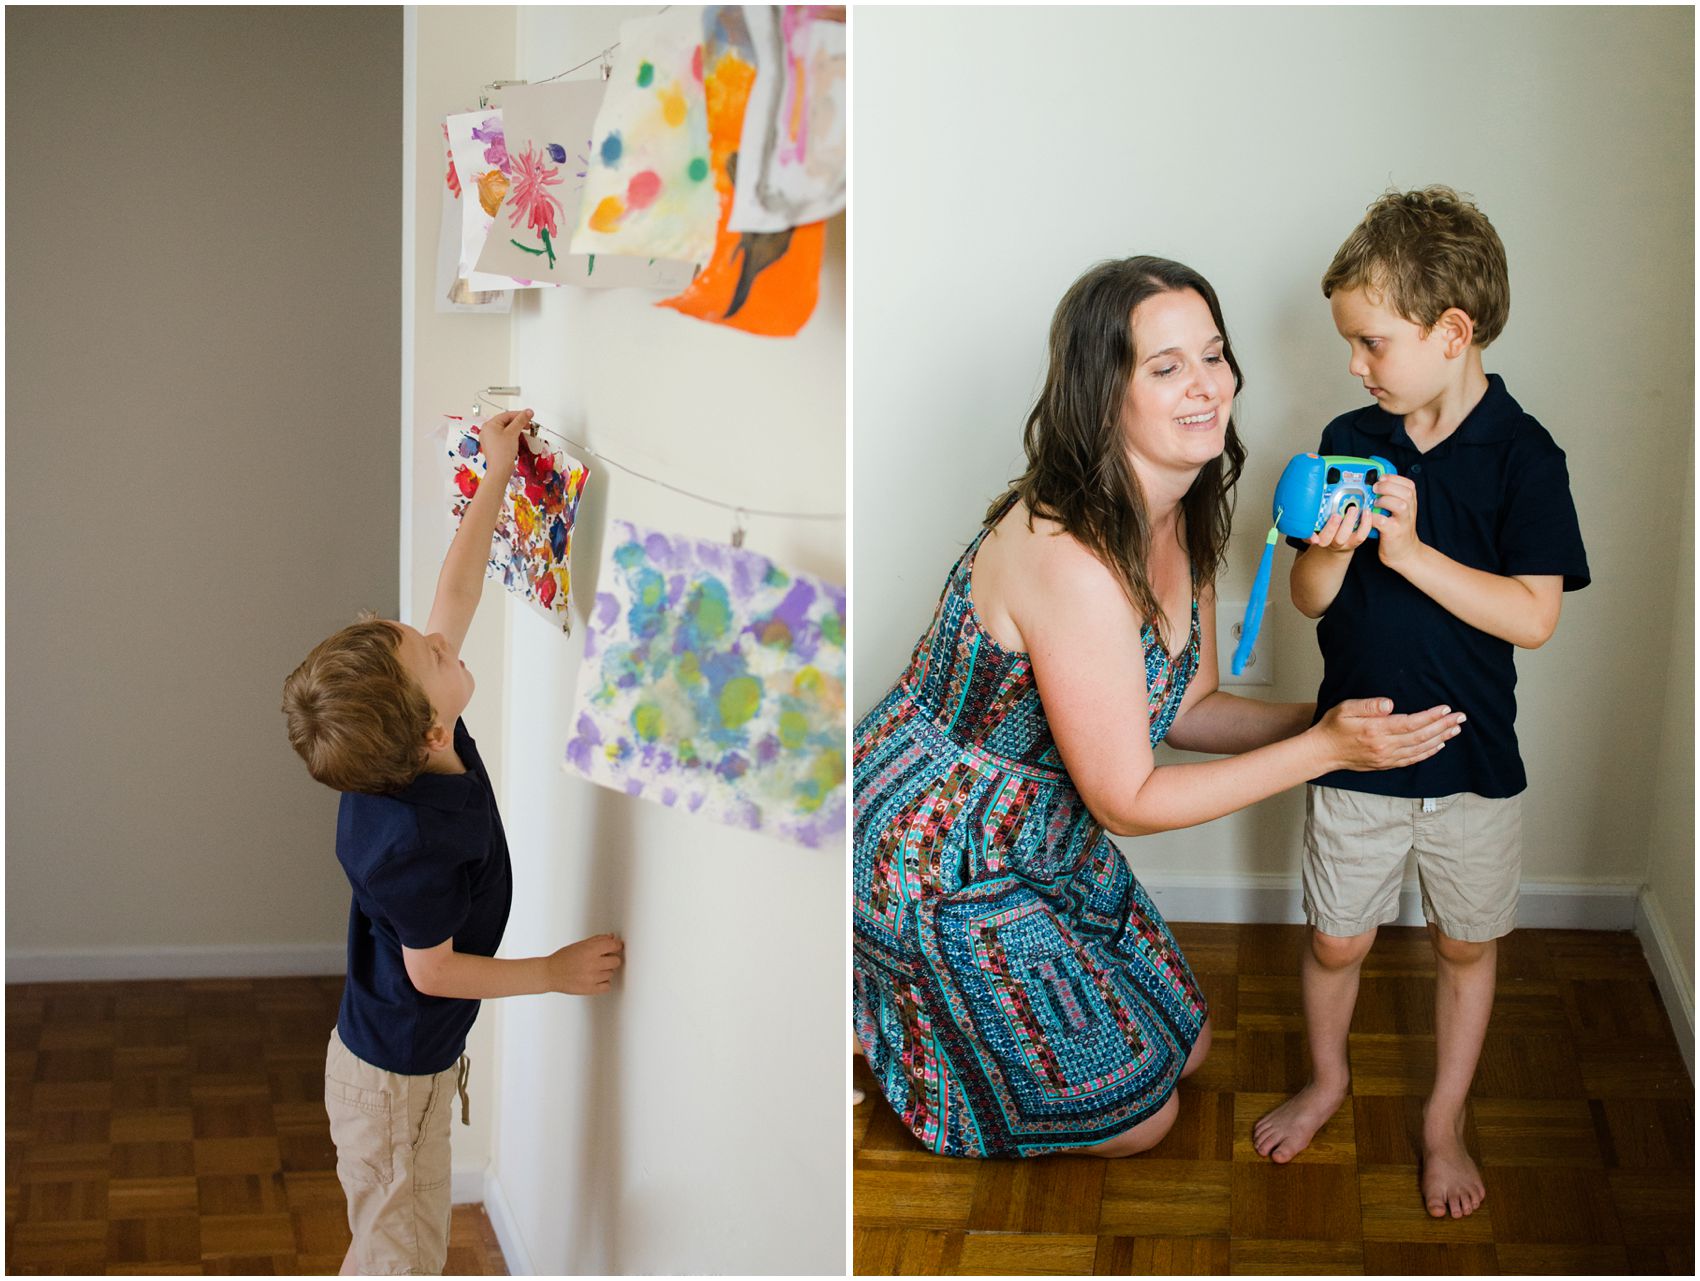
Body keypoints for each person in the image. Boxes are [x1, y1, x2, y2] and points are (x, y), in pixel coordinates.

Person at [853, 256, 1465, 1159]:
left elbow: (1188, 708)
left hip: (1045, 828)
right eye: (1165, 366)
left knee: (1191, 1048)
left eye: (1213, 356)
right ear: (1104, 393)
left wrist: (1342, 719)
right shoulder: (1069, 555)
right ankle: (895, 1011)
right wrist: (1326, 752)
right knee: (1148, 1123)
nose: (1206, 386)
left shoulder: (1187, 508)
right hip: (934, 855)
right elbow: (1127, 800)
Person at [1251, 188, 1589, 1219]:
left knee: (1463, 944)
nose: (1356, 365)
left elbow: (1530, 618)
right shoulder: (1351, 434)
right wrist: (1328, 552)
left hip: (1473, 766)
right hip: (1353, 755)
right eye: (1351, 344)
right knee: (1336, 939)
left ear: (1451, 333)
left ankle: (1440, 1122)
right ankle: (1326, 1079)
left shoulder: (1524, 458)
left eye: (1371, 342)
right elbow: (1310, 600)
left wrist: (1406, 549)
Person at [281, 408, 625, 1274]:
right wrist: (552, 972)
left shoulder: (412, 741)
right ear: (434, 728)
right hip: (392, 1089)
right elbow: (433, 971)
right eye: (432, 653)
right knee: (401, 1256)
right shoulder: (410, 838)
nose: (440, 638)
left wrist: (499, 471)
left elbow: (456, 593)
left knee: (400, 1244)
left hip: (399, 1067)